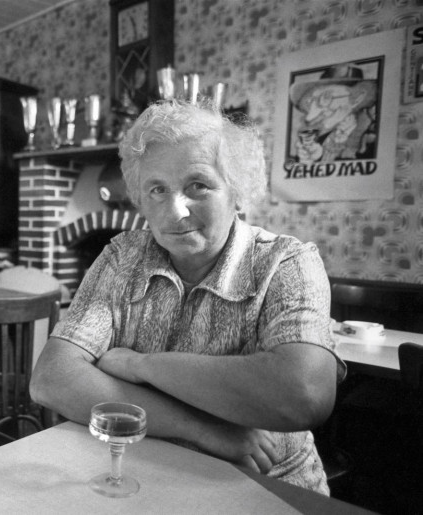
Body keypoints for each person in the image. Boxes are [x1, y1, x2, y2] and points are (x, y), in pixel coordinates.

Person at [30, 100, 345, 495]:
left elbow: (303, 396)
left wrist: (140, 365)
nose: (175, 211)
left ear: (239, 192)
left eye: (198, 185)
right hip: (146, 475)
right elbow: (51, 379)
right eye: (157, 189)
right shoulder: (121, 257)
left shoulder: (287, 262)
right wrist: (198, 428)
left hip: (267, 487)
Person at [290, 64, 377, 163]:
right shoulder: (317, 128)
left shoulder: (367, 132)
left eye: (327, 97)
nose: (320, 106)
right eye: (312, 100)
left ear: (356, 99)